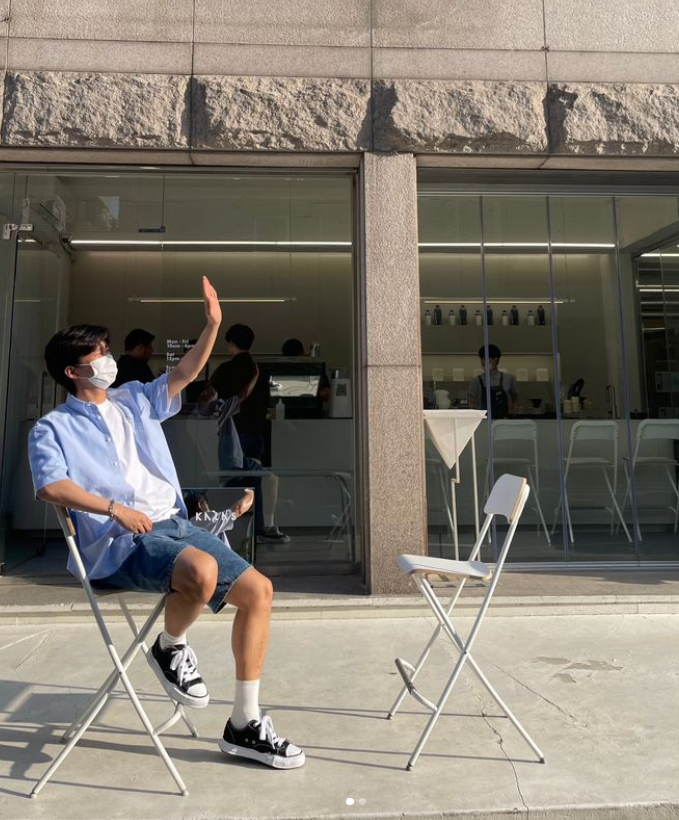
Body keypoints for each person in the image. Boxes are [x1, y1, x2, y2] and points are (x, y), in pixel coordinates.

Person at [28, 277, 305, 770]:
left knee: (259, 592)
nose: (108, 359)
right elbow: (51, 486)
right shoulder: (54, 427)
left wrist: (212, 326)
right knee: (202, 571)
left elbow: (184, 372)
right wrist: (114, 509)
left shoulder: (133, 399)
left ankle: (244, 723)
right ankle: (172, 645)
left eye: (107, 350)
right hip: (121, 540)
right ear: (72, 371)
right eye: (98, 354)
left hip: (174, 525)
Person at [206, 325, 290, 544]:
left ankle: (232, 530)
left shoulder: (225, 369)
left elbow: (208, 398)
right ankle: (259, 528)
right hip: (256, 434)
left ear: (231, 343)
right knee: (255, 482)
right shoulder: (258, 371)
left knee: (232, 480)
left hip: (232, 434)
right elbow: (267, 403)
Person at [467, 343, 518, 419]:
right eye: (482, 359)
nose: (483, 362)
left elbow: (515, 400)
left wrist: (514, 411)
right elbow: (471, 403)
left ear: (496, 360)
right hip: (484, 421)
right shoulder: (476, 381)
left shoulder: (509, 379)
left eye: (487, 359)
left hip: (504, 420)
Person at [281, 338, 331, 404]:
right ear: (302, 353)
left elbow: (327, 394)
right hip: (289, 409)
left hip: (308, 409)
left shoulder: (314, 370)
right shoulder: (281, 373)